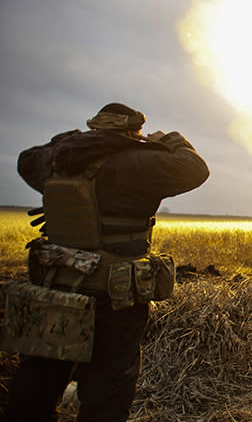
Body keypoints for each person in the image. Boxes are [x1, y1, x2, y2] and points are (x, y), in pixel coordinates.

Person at [5, 103, 209, 422]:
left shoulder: (57, 160)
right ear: (131, 132)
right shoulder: (138, 163)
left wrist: (69, 139)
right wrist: (169, 138)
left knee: (38, 383)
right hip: (114, 300)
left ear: (94, 130)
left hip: (55, 290)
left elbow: (25, 159)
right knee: (107, 392)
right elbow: (195, 169)